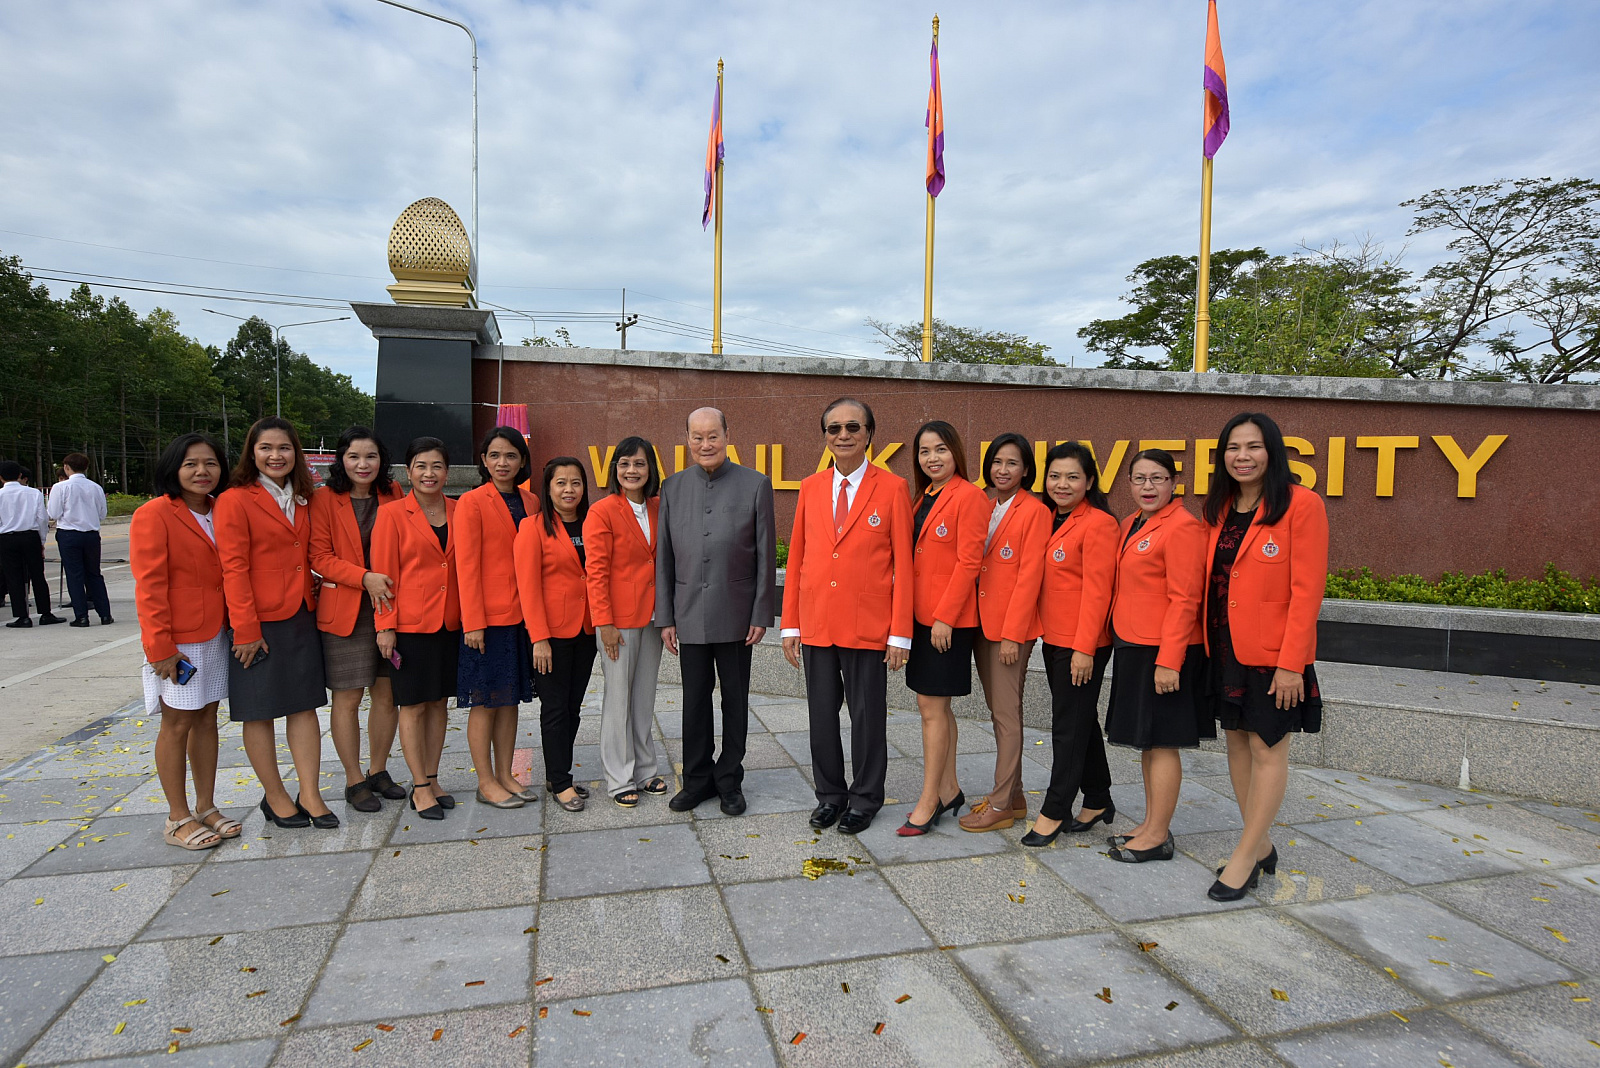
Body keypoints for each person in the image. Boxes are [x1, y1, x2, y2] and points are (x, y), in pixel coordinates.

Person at [1202, 412, 1328, 901]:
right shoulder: (1220, 507)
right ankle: (1260, 844)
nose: (1243, 457)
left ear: (1272, 451)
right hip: (1225, 646)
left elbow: (1307, 591)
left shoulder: (1301, 504)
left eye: (1253, 446)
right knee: (1236, 744)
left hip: (1274, 654)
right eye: (1233, 448)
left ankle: (1245, 856)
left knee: (1267, 748)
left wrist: (1292, 663)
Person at [781, 399, 913, 836]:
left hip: (868, 625)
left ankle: (865, 798)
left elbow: (904, 565)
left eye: (853, 427)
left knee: (867, 718)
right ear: (825, 436)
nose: (843, 435)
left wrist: (900, 634)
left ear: (869, 434)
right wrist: (791, 624)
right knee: (821, 717)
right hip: (818, 622)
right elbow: (798, 557)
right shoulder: (811, 487)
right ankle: (830, 796)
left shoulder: (892, 488)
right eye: (834, 428)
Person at [214, 417, 336, 830]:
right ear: (252, 453)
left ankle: (310, 793)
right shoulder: (234, 500)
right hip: (257, 621)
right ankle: (276, 795)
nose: (275, 455)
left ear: (296, 453)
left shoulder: (304, 497)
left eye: (284, 448)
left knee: (304, 707)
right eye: (265, 448)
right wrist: (245, 629)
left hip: (301, 614)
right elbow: (233, 568)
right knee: (259, 711)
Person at [657, 408, 777, 818]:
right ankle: (696, 780)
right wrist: (665, 616)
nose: (705, 444)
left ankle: (729, 780)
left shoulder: (756, 484)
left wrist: (761, 613)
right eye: (697, 436)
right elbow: (664, 558)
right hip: (688, 612)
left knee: (734, 700)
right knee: (693, 701)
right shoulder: (673, 487)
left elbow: (765, 554)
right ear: (687, 439)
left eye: (713, 436)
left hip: (738, 614)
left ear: (727, 435)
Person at [131, 433, 240, 851]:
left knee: (207, 718)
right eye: (190, 464)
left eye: (210, 463)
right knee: (177, 723)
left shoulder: (222, 508)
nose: (201, 471)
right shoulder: (154, 514)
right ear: (173, 469)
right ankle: (177, 817)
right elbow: (150, 586)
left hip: (217, 632)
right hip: (179, 639)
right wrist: (159, 647)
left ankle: (206, 806)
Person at [1102, 448, 1209, 862]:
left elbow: (1185, 599)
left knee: (1163, 743)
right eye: (1140, 479)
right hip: (1134, 643)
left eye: (1158, 478)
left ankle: (1159, 835)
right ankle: (1149, 825)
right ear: (1129, 483)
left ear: (1174, 483)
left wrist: (1169, 660)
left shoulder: (1182, 526)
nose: (1148, 487)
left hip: (1163, 650)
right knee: (1147, 742)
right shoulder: (1132, 522)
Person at [1020, 442, 1120, 848]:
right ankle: (1097, 797)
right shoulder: (1048, 517)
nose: (1062, 484)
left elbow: (1098, 592)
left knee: (1067, 726)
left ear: (1090, 481)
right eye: (1055, 476)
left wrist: (1084, 649)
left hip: (1082, 642)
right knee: (1080, 719)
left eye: (1072, 477)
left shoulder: (1099, 524)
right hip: (1054, 636)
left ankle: (1055, 809)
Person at [309, 427, 405, 813]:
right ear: (341, 460)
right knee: (348, 697)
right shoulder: (323, 499)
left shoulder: (393, 493)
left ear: (382, 460)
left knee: (387, 694)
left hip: (389, 607)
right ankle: (353, 779)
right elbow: (319, 556)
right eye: (354, 456)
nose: (362, 464)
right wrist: (364, 578)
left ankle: (378, 770)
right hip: (345, 611)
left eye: (371, 456)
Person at [962, 433, 1053, 833]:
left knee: (1005, 715)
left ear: (1026, 469)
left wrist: (1014, 634)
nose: (1003, 470)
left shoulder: (1035, 511)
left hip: (1008, 630)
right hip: (980, 623)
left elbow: (1030, 576)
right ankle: (1014, 797)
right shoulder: (983, 503)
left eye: (1012, 463)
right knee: (1000, 710)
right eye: (997, 462)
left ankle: (999, 804)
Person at [898, 420, 986, 837]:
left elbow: (970, 562)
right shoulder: (923, 497)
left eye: (940, 450)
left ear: (956, 453)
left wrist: (945, 617)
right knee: (936, 707)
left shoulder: (969, 496)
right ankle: (950, 789)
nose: (932, 458)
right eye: (924, 451)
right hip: (920, 617)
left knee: (931, 709)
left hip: (945, 623)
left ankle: (929, 798)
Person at [372, 437, 460, 820]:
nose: (429, 473)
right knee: (412, 705)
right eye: (421, 466)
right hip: (409, 626)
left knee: (439, 703)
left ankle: (433, 778)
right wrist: (385, 627)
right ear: (408, 472)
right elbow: (384, 576)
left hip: (450, 623)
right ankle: (419, 787)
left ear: (447, 472)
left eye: (437, 466)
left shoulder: (460, 509)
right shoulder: (392, 514)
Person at [455, 426, 538, 809]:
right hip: (487, 621)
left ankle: (505, 774)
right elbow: (466, 566)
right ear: (484, 461)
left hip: (522, 616)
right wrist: (473, 621)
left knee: (509, 701)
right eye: (495, 455)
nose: (502, 462)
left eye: (510, 456)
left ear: (522, 461)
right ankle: (485, 781)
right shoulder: (471, 502)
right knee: (485, 701)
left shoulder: (531, 501)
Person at [585, 436, 667, 808]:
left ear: (650, 469)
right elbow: (596, 571)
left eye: (639, 463)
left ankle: (645, 770)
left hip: (653, 618)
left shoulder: (659, 507)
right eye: (624, 463)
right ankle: (620, 777)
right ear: (614, 469)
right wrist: (604, 623)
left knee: (644, 697)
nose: (631, 470)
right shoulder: (602, 511)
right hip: (617, 622)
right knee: (619, 699)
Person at [515, 456, 598, 813]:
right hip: (551, 634)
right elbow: (528, 587)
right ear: (548, 488)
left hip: (587, 629)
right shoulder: (532, 527)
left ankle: (556, 773)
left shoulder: (593, 523)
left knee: (573, 706)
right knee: (554, 708)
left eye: (576, 482)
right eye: (560, 483)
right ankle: (561, 783)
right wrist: (539, 638)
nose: (569, 490)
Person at [48, 453, 113, 627]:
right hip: (91, 534)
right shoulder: (96, 487)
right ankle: (105, 614)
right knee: (94, 574)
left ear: (66, 467)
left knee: (74, 575)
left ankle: (81, 616)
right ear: (86, 468)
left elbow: (53, 513)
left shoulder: (60, 487)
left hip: (69, 534)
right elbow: (102, 514)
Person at [1, 461, 61, 628]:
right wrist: (41, 541)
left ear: (1, 477)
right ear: (20, 475)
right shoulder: (33, 493)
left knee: (14, 578)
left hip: (7, 538)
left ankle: (22, 616)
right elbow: (41, 518)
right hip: (30, 537)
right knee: (38, 575)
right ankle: (45, 613)